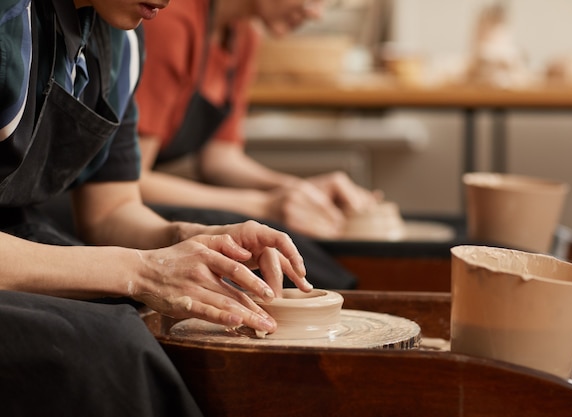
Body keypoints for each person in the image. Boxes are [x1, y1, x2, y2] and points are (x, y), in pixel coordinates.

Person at [0, 0, 312, 415]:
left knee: (150, 318)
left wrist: (192, 240)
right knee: (110, 346)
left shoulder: (121, 41)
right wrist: (143, 270)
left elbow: (110, 210)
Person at [135, 0, 381, 241]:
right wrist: (264, 205)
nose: (317, 13)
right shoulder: (169, 19)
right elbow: (132, 181)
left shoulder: (243, 35)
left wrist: (299, 190)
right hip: (126, 213)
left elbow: (220, 160)